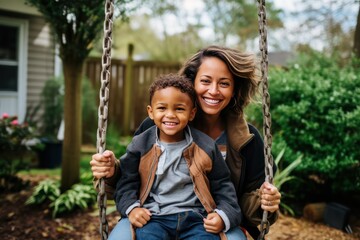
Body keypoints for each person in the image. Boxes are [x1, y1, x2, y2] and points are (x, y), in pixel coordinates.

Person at [91, 45, 281, 240]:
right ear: (191, 83)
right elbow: (130, 178)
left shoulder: (248, 140)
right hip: (152, 215)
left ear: (234, 90)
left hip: (208, 220)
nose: (213, 91)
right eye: (205, 81)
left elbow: (239, 198)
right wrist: (110, 171)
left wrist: (264, 201)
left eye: (224, 84)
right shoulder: (155, 128)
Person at [114, 73, 242, 240]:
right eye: (162, 108)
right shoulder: (141, 145)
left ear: (192, 113)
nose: (170, 115)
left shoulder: (206, 146)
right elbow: (126, 182)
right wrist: (132, 208)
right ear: (150, 112)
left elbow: (223, 185)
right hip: (154, 218)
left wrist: (223, 216)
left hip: (197, 219)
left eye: (179, 109)